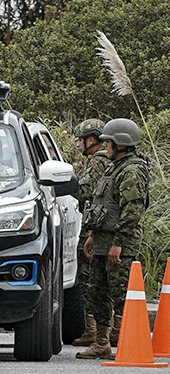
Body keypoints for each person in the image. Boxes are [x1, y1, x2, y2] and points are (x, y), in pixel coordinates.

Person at [77, 118, 150, 359]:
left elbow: (133, 211)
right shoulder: (113, 167)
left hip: (120, 242)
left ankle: (128, 342)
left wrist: (118, 243)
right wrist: (92, 236)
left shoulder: (132, 170)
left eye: (107, 142)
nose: (104, 146)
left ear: (120, 144)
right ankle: (102, 343)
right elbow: (102, 205)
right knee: (97, 291)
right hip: (101, 240)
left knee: (121, 294)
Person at [70, 119, 111, 347]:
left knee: (88, 276)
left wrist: (70, 186)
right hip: (105, 226)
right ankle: (105, 330)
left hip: (94, 227)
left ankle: (93, 330)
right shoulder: (110, 160)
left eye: (80, 140)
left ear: (92, 140)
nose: (78, 145)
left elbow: (85, 192)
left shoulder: (97, 162)